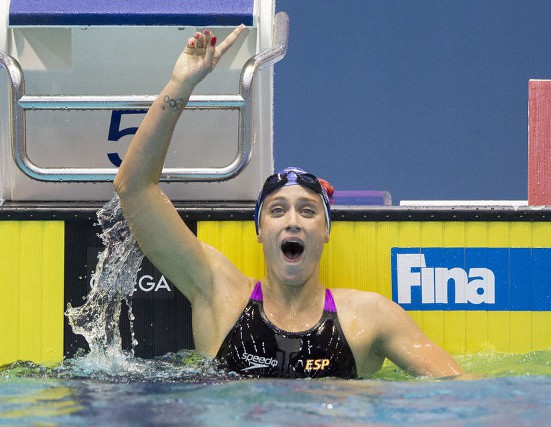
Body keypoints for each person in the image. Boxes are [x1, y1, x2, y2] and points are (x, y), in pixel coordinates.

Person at [114, 25, 466, 379]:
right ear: (260, 230)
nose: (293, 220)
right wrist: (181, 85)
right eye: (278, 210)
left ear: (325, 231)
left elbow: (458, 387)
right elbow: (134, 188)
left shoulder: (369, 316)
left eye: (308, 211)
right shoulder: (220, 295)